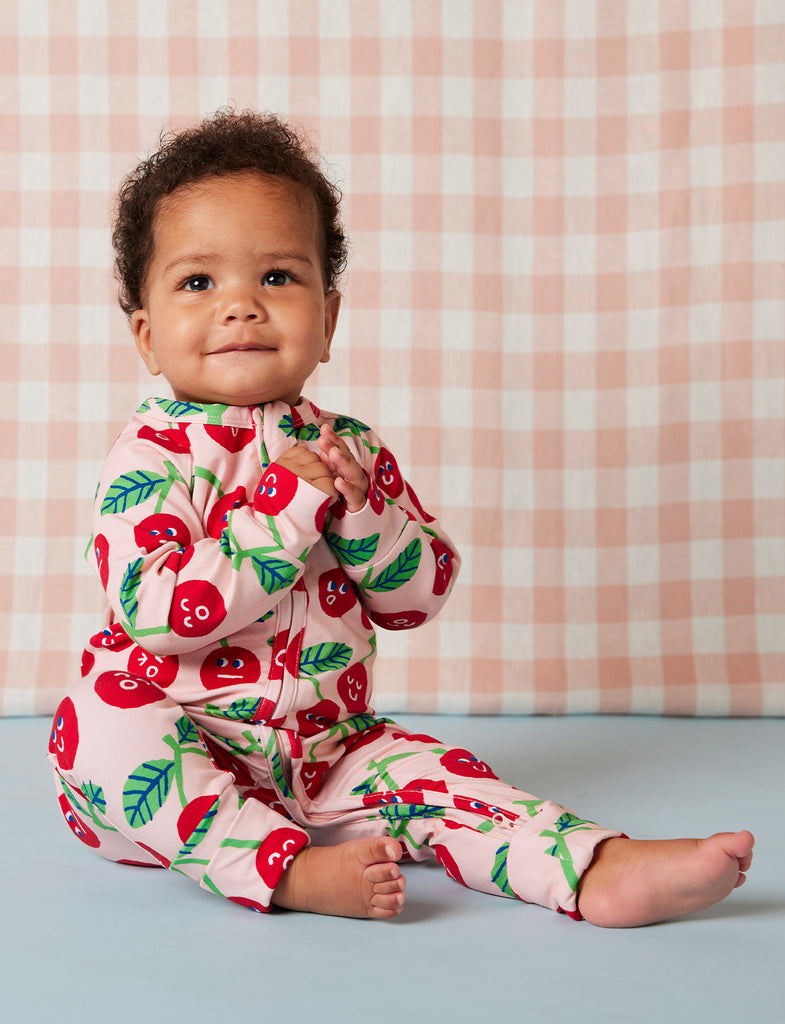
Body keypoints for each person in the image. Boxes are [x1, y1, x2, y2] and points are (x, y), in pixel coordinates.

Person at [47, 110, 753, 926]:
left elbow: (418, 595)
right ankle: (283, 871)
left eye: (277, 276)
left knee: (435, 774)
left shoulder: (346, 448)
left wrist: (356, 510)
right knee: (98, 720)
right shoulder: (150, 460)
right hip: (182, 750)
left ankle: (590, 866)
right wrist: (284, 511)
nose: (240, 306)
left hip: (325, 758)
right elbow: (159, 616)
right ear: (145, 336)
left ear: (330, 318)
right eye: (198, 282)